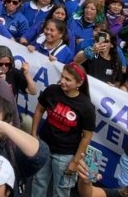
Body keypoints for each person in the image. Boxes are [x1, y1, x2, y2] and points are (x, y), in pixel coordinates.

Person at [30, 63, 95, 197]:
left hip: (65, 155)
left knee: (61, 191)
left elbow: (86, 137)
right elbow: (39, 110)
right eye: (62, 77)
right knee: (38, 182)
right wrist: (33, 134)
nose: (62, 82)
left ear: (79, 83)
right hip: (44, 146)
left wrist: (75, 161)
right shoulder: (52, 90)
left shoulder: (86, 107)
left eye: (68, 79)